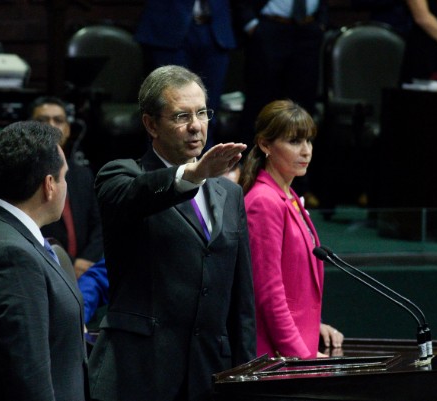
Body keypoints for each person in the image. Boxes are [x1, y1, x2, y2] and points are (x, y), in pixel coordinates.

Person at [88, 65, 255, 401]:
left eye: (202, 113)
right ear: (151, 124)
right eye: (181, 116)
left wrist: (245, 375)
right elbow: (137, 195)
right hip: (138, 377)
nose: (195, 126)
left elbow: (241, 298)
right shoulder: (122, 176)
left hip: (207, 375)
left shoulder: (229, 193)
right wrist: (190, 176)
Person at [0, 121, 88, 401]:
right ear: (49, 185)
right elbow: (29, 383)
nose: (66, 187)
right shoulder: (12, 257)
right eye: (64, 177)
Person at [239, 99, 343, 359]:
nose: (306, 151)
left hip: (294, 349)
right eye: (295, 142)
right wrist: (302, 357)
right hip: (275, 358)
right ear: (265, 145)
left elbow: (295, 289)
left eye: (308, 141)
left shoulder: (289, 195)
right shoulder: (263, 201)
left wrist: (313, 329)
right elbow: (270, 294)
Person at [135, 0, 236, 147]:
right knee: (166, 110)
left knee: (208, 112)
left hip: (215, 31)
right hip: (167, 28)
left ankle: (204, 165)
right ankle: (163, 168)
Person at [234, 0, 329, 147]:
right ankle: (252, 162)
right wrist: (250, 23)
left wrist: (321, 22)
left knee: (302, 103)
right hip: (270, 29)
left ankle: (296, 162)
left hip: (308, 29)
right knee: (261, 100)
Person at [29, 96, 104, 278]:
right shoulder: (24, 174)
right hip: (44, 270)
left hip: (86, 271)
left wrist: (86, 261)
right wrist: (70, 263)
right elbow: (27, 229)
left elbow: (99, 225)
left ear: (68, 130)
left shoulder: (82, 173)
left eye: (58, 120)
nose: (51, 125)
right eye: (42, 120)